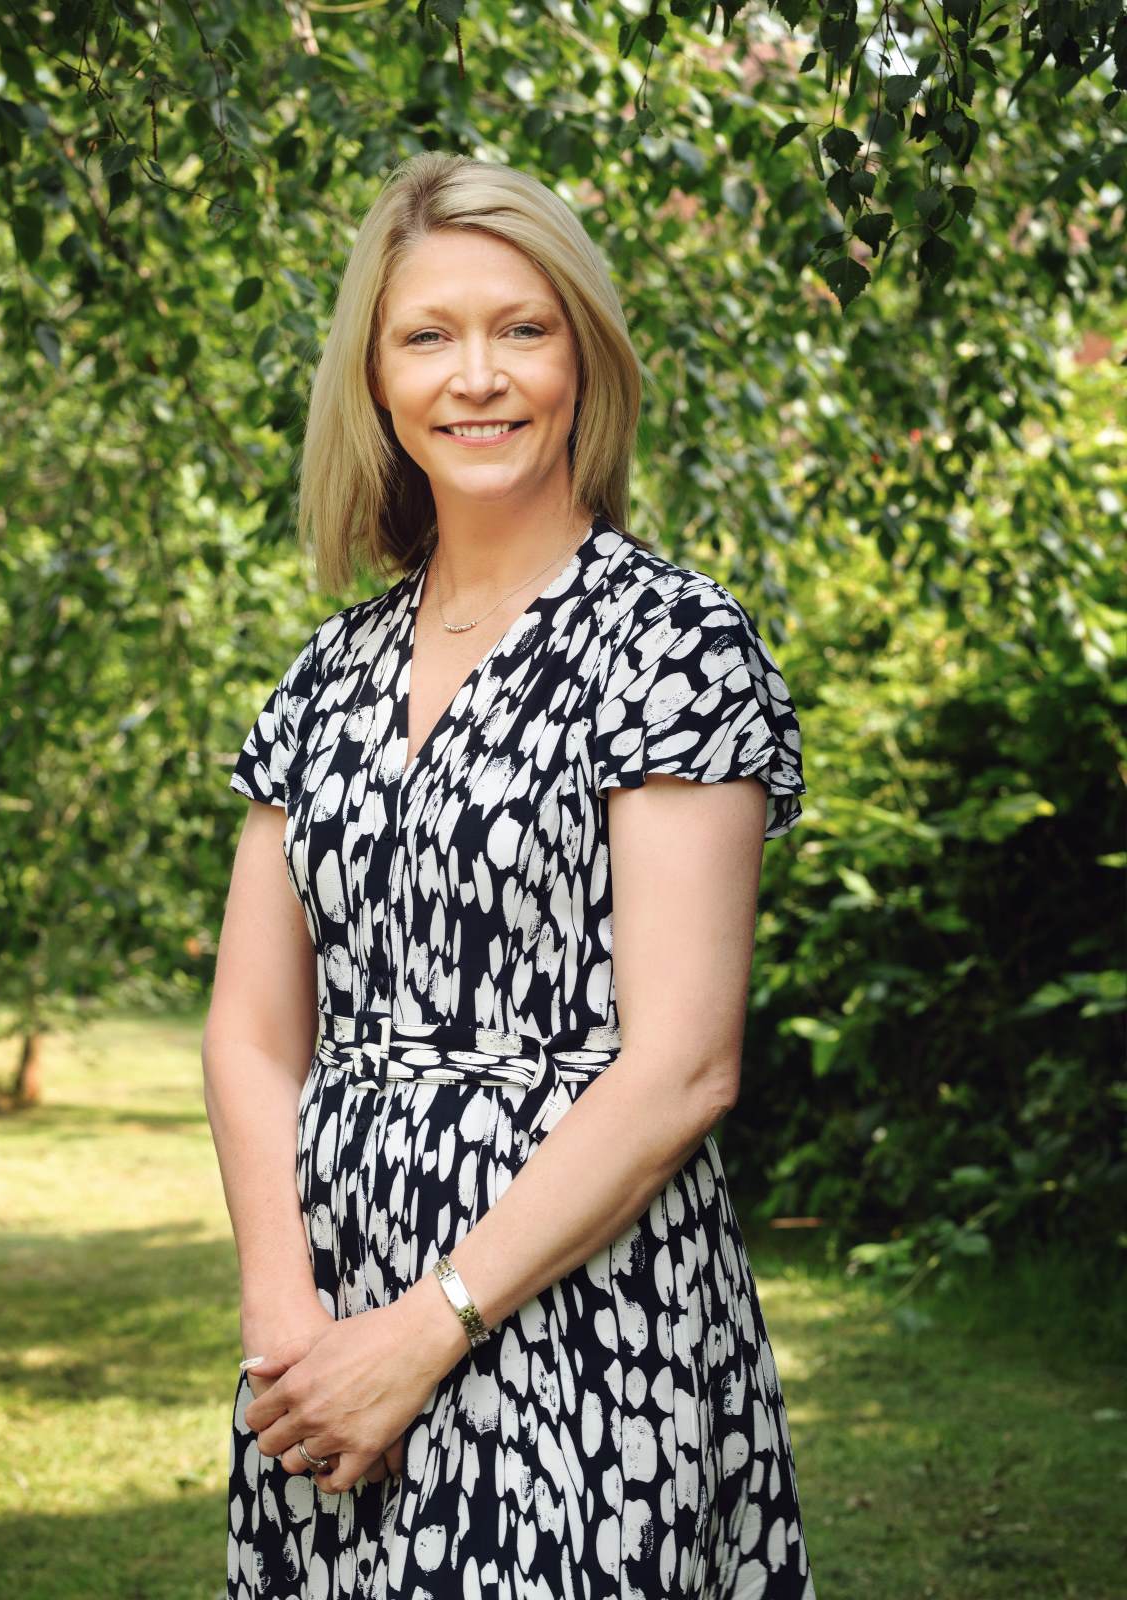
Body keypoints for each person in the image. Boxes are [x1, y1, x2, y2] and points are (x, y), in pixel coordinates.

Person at [204, 150, 816, 1600]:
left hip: (579, 1321)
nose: (476, 376)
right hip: (329, 1333)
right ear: (375, 381)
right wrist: (288, 1324)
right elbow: (252, 1030)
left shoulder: (671, 646)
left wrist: (429, 1329)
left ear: (582, 359)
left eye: (522, 329)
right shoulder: (326, 674)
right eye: (428, 335)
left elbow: (683, 1068)